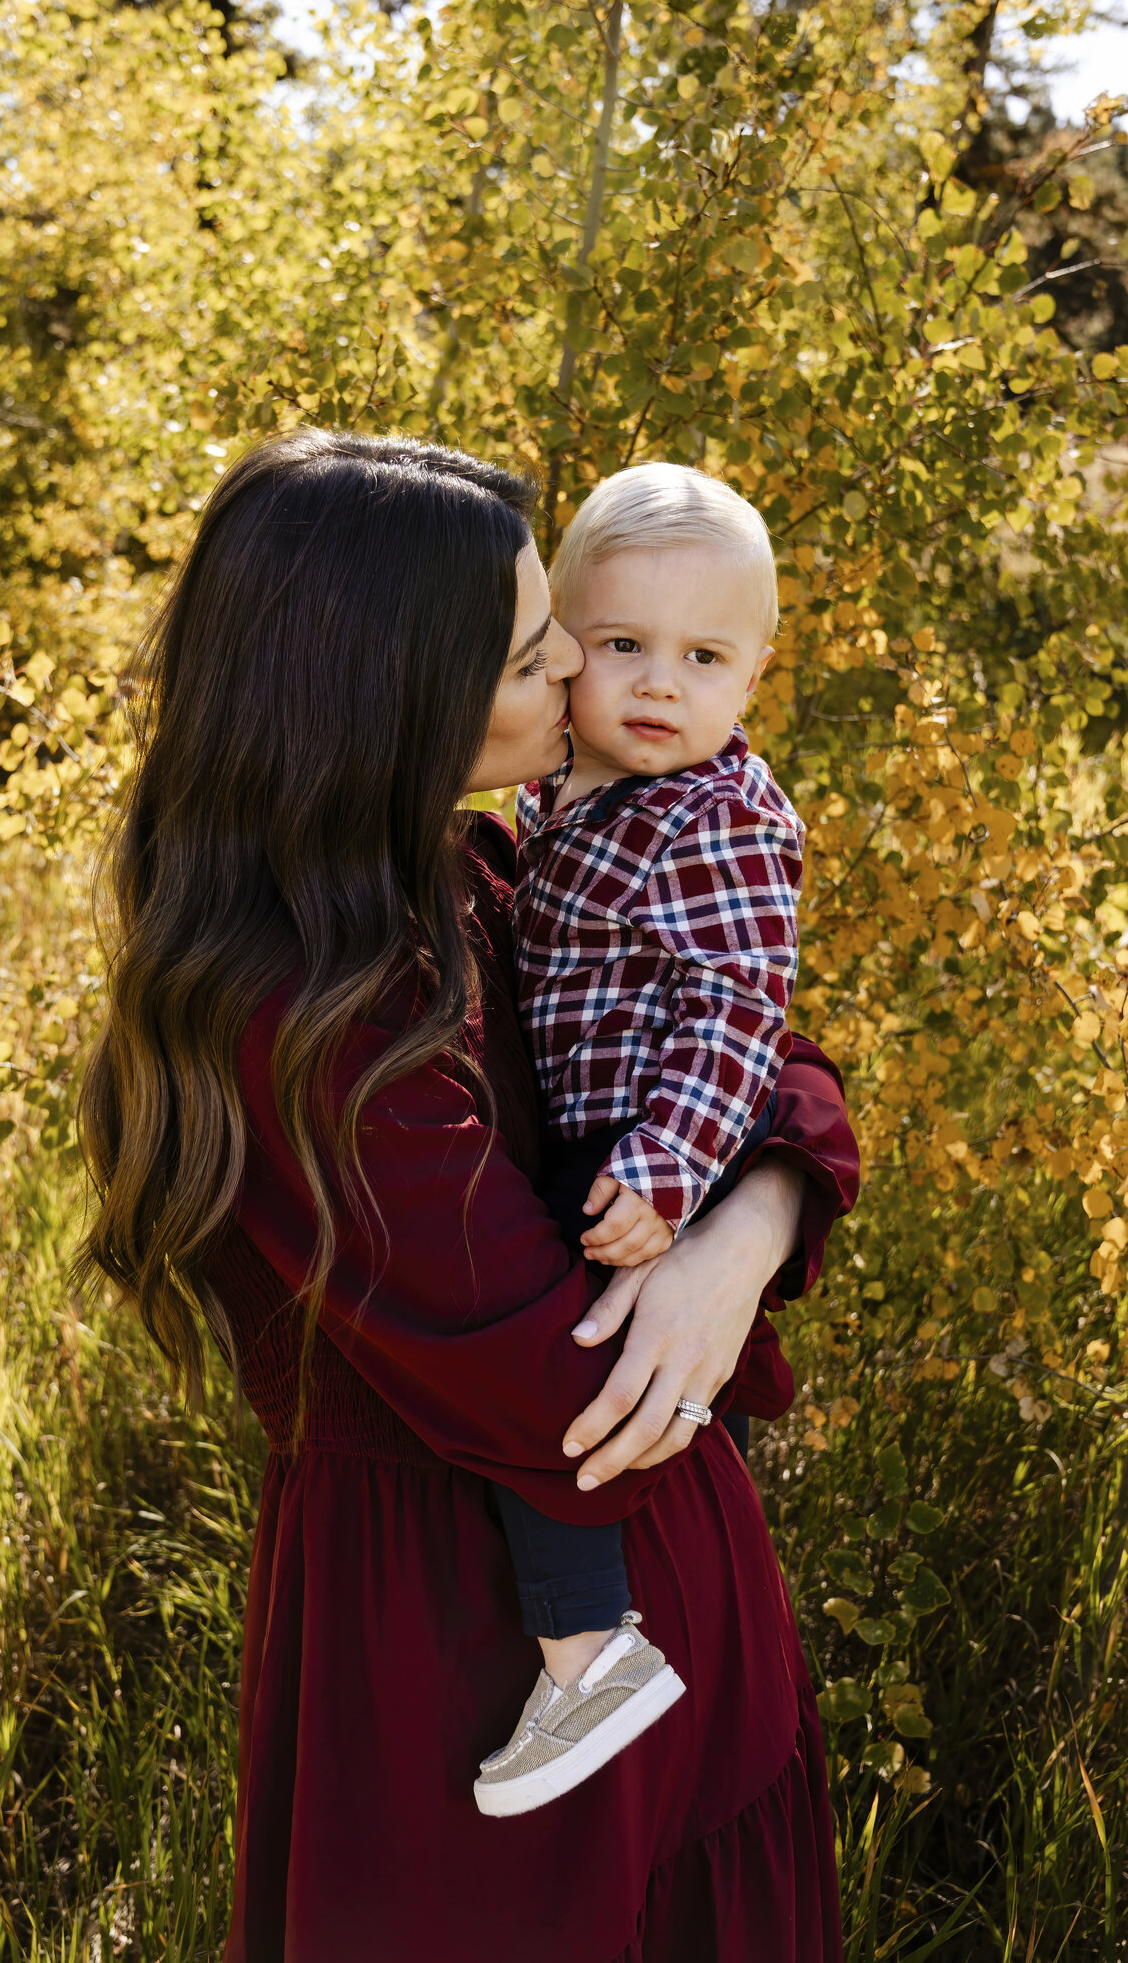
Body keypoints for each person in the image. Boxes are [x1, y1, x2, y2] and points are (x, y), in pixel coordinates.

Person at [77, 428, 859, 1963]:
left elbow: (778, 1051)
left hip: (636, 1613)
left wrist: (741, 1238)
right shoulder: (303, 1014)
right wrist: (714, 1248)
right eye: (533, 648)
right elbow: (542, 1370)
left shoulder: (482, 871)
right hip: (468, 1656)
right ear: (396, 699)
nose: (577, 660)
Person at [479, 463, 804, 1818]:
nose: (659, 684)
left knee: (564, 1373)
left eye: (704, 655)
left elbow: (743, 1011)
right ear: (563, 651)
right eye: (622, 645)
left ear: (755, 671)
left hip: (642, 1149)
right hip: (603, 1143)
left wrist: (675, 1172)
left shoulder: (715, 815)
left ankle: (588, 1647)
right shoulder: (561, 804)